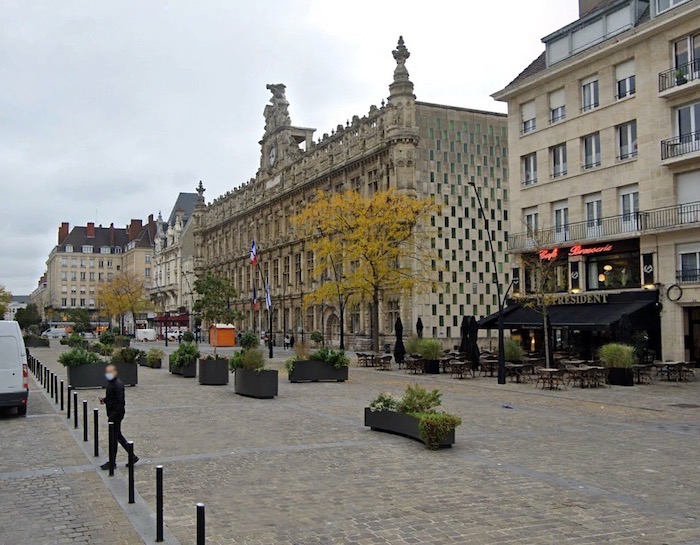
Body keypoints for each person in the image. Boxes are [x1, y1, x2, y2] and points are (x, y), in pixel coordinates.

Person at [99, 364, 138, 470]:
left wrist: (113, 415)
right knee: (117, 436)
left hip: (115, 415)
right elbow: (112, 397)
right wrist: (105, 400)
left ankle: (112, 462)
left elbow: (120, 402)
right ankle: (132, 456)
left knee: (114, 438)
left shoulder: (117, 385)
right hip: (113, 414)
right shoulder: (112, 383)